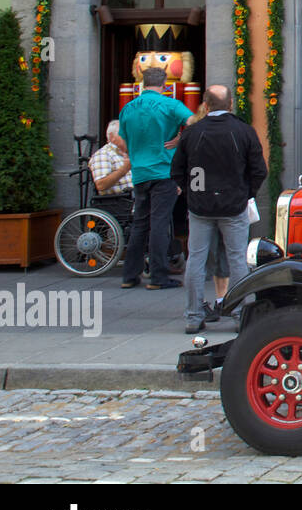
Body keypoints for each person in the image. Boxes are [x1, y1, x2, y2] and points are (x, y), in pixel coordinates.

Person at [172, 84, 267, 334]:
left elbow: (177, 171)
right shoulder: (243, 131)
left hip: (200, 206)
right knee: (237, 259)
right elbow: (259, 170)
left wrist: (194, 191)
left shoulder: (192, 133)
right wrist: (246, 192)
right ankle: (238, 313)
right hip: (233, 205)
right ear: (231, 104)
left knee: (196, 260)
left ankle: (193, 316)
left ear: (204, 105)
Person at [118, 66, 197, 290]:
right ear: (164, 84)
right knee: (160, 222)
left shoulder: (128, 108)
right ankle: (158, 276)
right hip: (164, 171)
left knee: (140, 224)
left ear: (143, 83)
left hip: (140, 172)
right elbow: (194, 122)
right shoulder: (170, 105)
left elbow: (123, 142)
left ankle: (129, 276)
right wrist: (180, 138)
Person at [89, 120, 132, 197]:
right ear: (112, 137)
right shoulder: (103, 154)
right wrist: (124, 169)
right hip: (120, 201)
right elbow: (101, 185)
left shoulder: (131, 152)